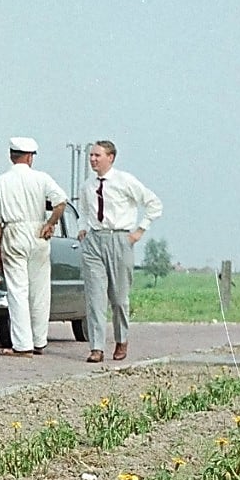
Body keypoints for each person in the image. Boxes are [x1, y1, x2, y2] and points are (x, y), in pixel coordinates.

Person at [77, 140, 163, 363]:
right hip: (95, 241)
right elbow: (84, 211)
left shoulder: (125, 181)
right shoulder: (88, 185)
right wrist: (82, 230)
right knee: (95, 296)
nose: (93, 159)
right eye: (91, 156)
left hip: (120, 239)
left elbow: (154, 204)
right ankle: (96, 347)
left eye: (97, 155)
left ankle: (121, 340)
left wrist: (139, 231)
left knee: (118, 297)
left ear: (110, 157)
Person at [0, 137, 67, 358]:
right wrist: (50, 223)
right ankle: (40, 341)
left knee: (18, 292)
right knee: (40, 290)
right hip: (38, 231)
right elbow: (61, 201)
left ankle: (22, 345)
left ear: (11, 156)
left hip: (14, 232)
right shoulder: (41, 178)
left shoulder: (1, 181)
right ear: (30, 157)